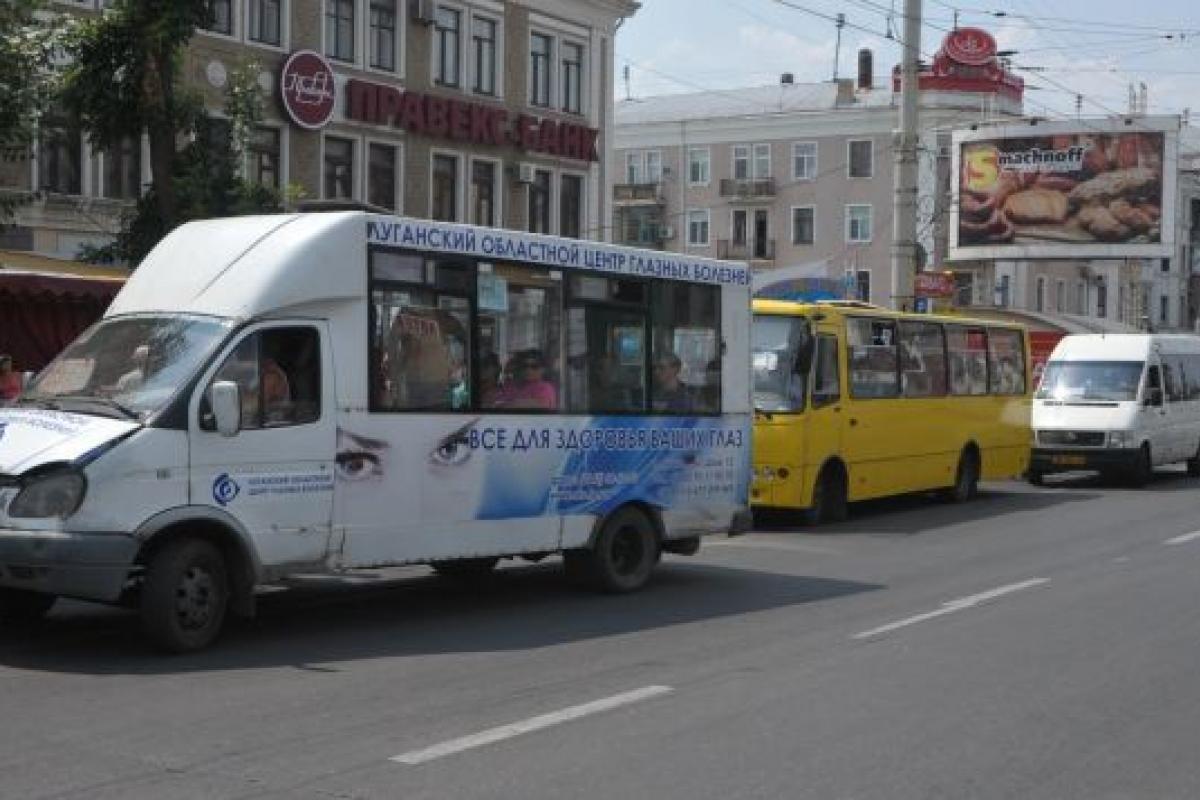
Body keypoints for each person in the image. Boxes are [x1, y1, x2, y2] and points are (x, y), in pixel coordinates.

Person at [492, 349, 557, 410]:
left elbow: (537, 405)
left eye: (534, 366)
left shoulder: (545, 388)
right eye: (525, 366)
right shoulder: (509, 386)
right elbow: (492, 403)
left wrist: (506, 404)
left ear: (543, 369)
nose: (528, 370)